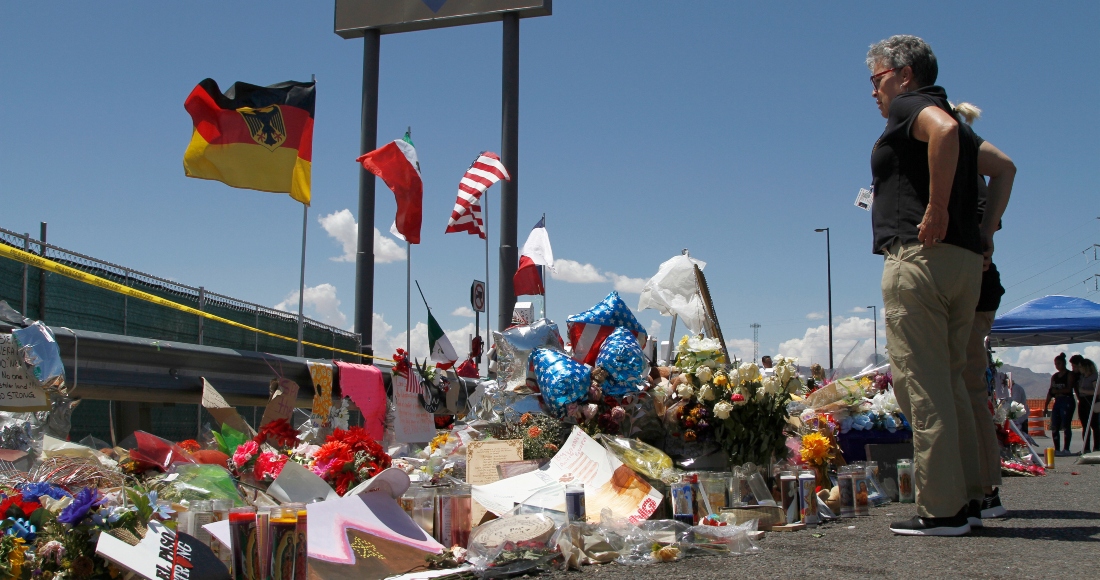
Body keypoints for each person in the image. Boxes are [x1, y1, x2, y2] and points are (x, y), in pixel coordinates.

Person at [866, 35, 991, 536]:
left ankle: (942, 510)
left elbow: (940, 133)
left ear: (904, 74)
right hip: (961, 262)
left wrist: (936, 208)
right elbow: (1003, 168)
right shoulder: (957, 118)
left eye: (876, 80)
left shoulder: (915, 108)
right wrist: (984, 234)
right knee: (954, 382)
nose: (873, 92)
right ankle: (972, 495)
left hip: (920, 258)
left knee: (921, 385)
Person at [954, 102, 1016, 523]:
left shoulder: (960, 159)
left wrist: (982, 238)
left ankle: (983, 491)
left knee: (967, 383)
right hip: (980, 287)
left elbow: (1007, 167)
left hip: (971, 287)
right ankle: (979, 487)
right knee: (967, 383)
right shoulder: (971, 176)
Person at [1043, 353, 1076, 455]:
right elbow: (1050, 391)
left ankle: (1066, 448)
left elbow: (1069, 389)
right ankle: (1057, 448)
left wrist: (1057, 391)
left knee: (1066, 424)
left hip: (1067, 401)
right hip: (1057, 401)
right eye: (1055, 364)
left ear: (1064, 363)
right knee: (1055, 425)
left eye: (1059, 363)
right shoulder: (1055, 376)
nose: (1057, 366)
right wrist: (1046, 406)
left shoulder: (1069, 375)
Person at [1071, 355, 1099, 453]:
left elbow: (1097, 391)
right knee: (1085, 426)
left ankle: (1097, 447)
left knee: (1095, 426)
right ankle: (1086, 448)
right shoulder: (1082, 377)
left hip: (1091, 402)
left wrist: (1084, 391)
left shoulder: (1094, 377)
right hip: (1083, 402)